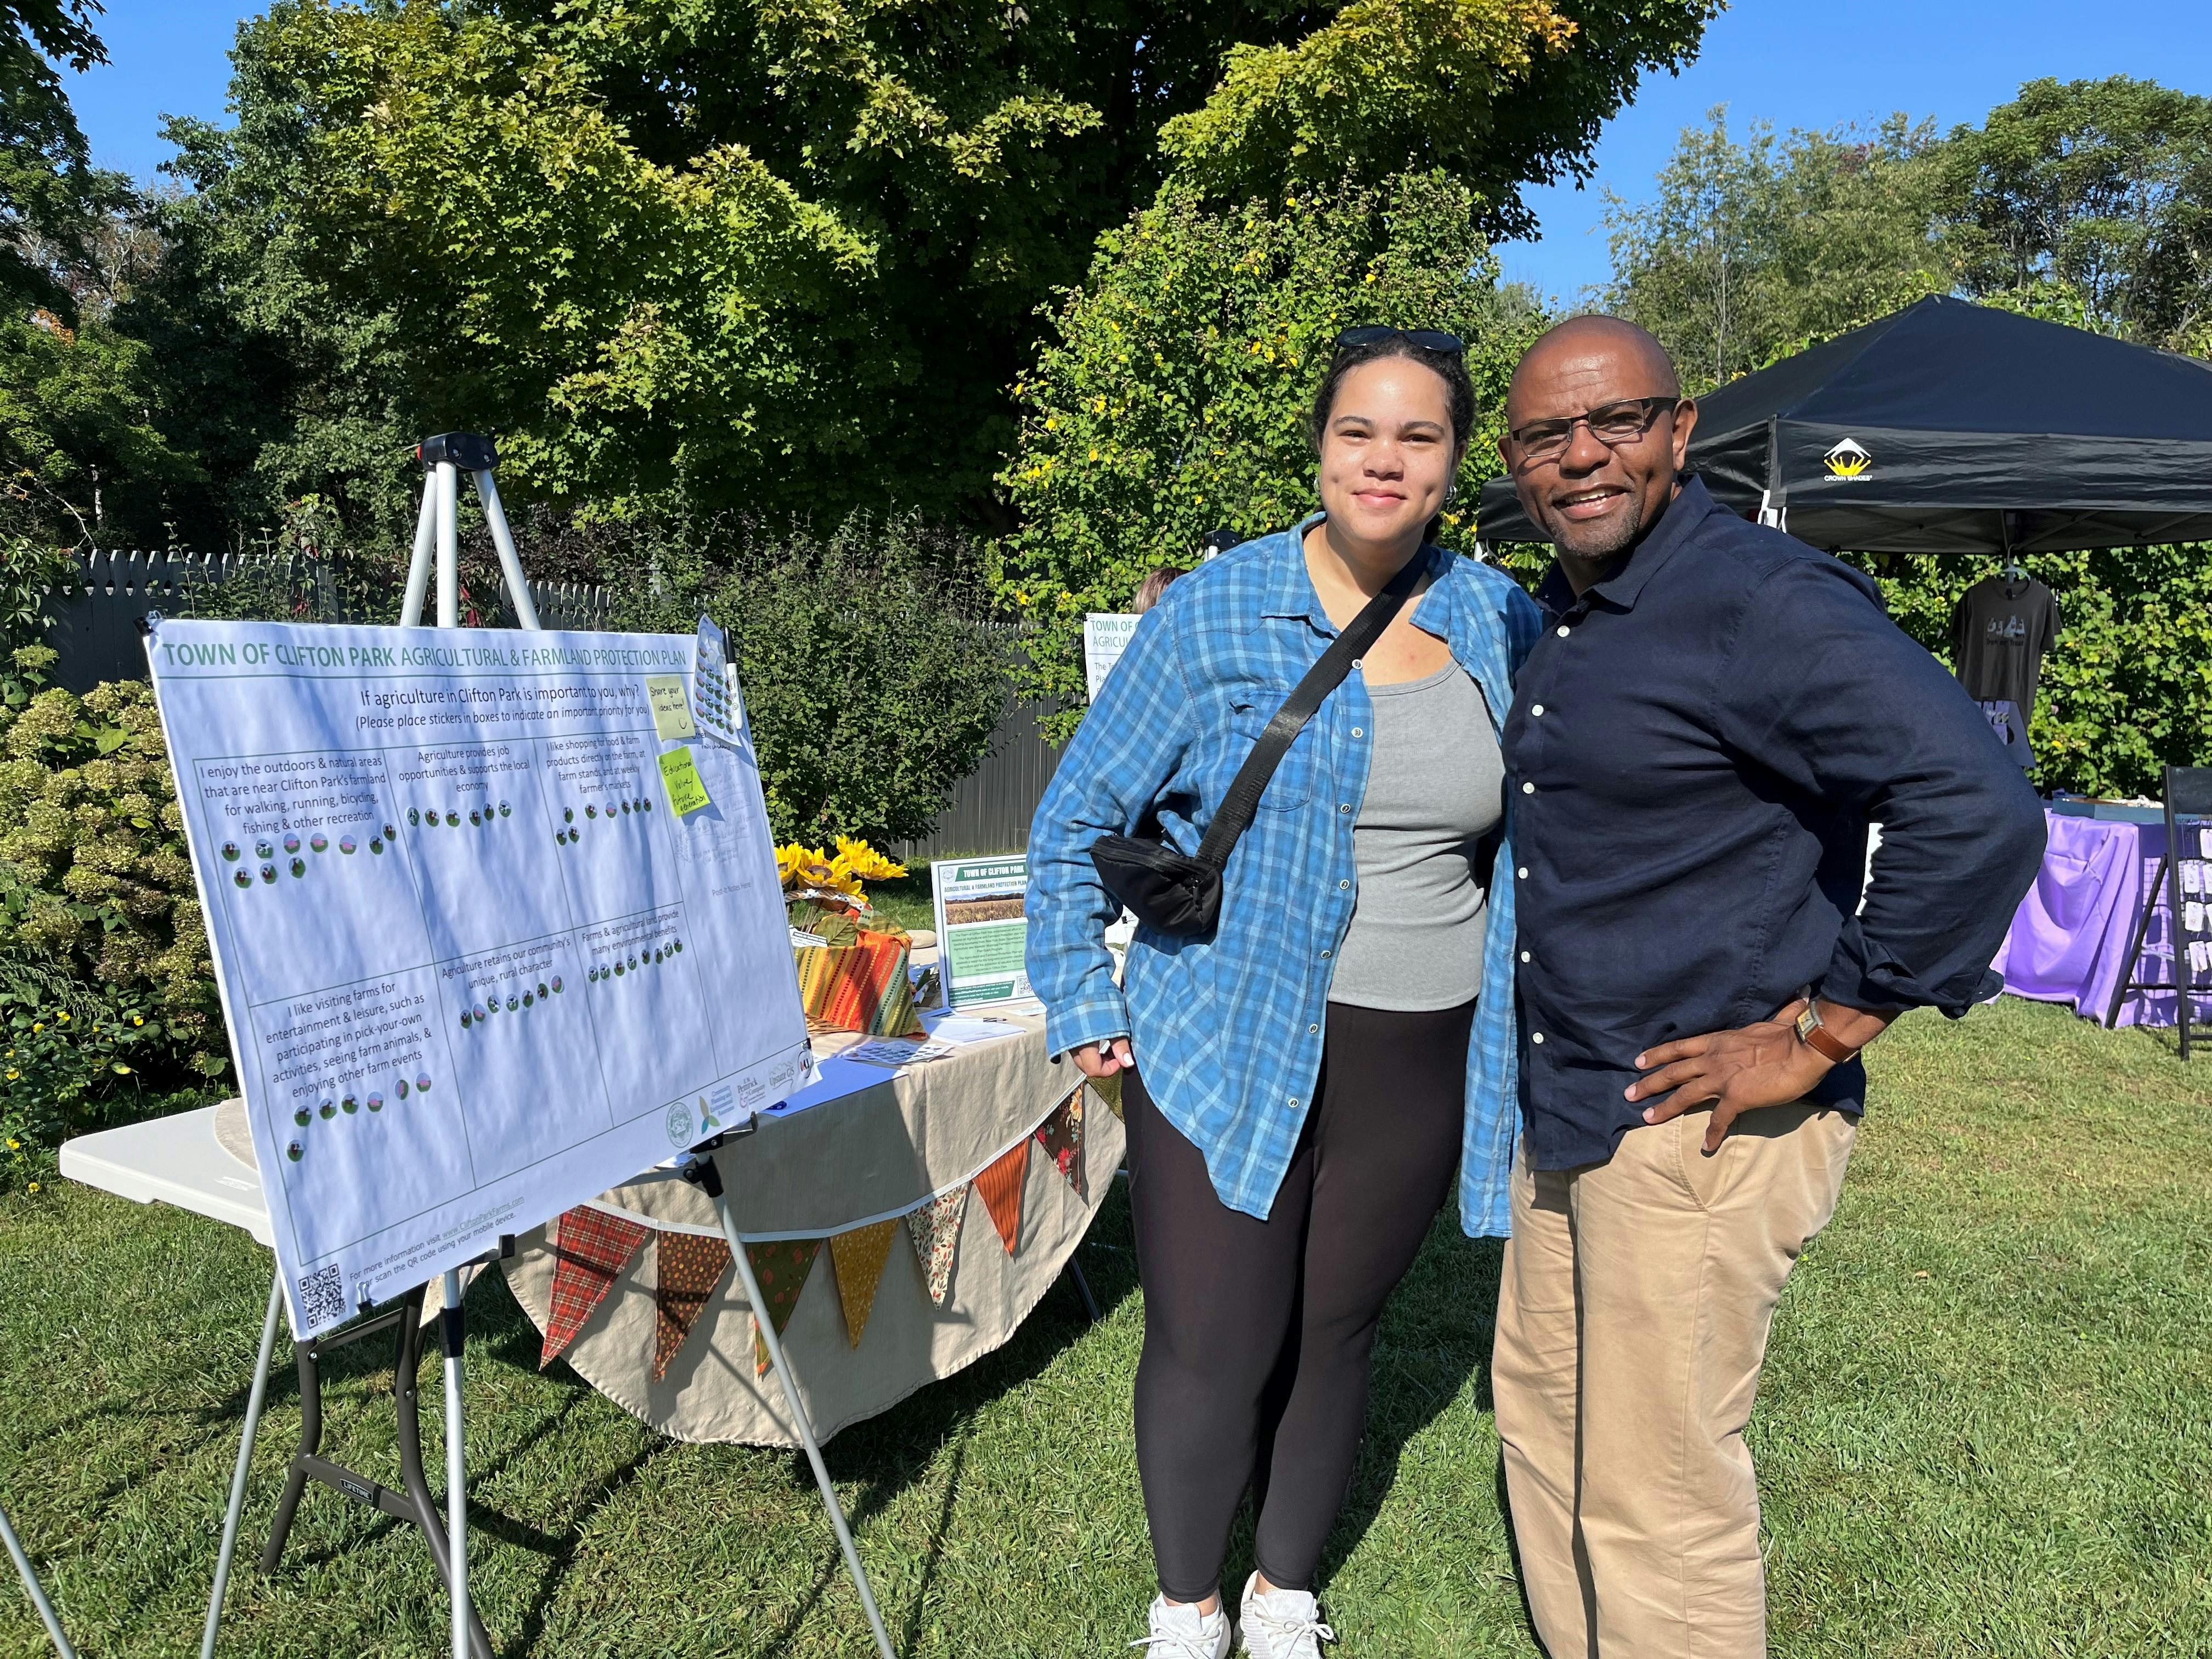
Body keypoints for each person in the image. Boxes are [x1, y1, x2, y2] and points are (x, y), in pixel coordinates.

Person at [1488, 314, 2046, 1659]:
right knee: (1549, 1433)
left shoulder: (1761, 600)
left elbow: (1977, 810)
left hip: (1702, 1127)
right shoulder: (1571, 610)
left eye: (1616, 421)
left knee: (1659, 1492)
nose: (1582, 457)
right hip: (1579, 1100)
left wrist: (1823, 1026)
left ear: (1680, 432)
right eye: (1546, 436)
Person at [1026, 325, 1539, 1659]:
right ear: (1319, 447)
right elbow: (1082, 803)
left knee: (1334, 1330)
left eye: (1418, 437)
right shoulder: (1218, 607)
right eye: (1358, 431)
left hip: (1420, 1050)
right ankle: (1188, 1604)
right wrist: (1079, 986)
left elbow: (1549, 826)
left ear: (1453, 463)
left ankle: (1283, 1592)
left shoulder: (1501, 617)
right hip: (1229, 1030)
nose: (1385, 460)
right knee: (1213, 1338)